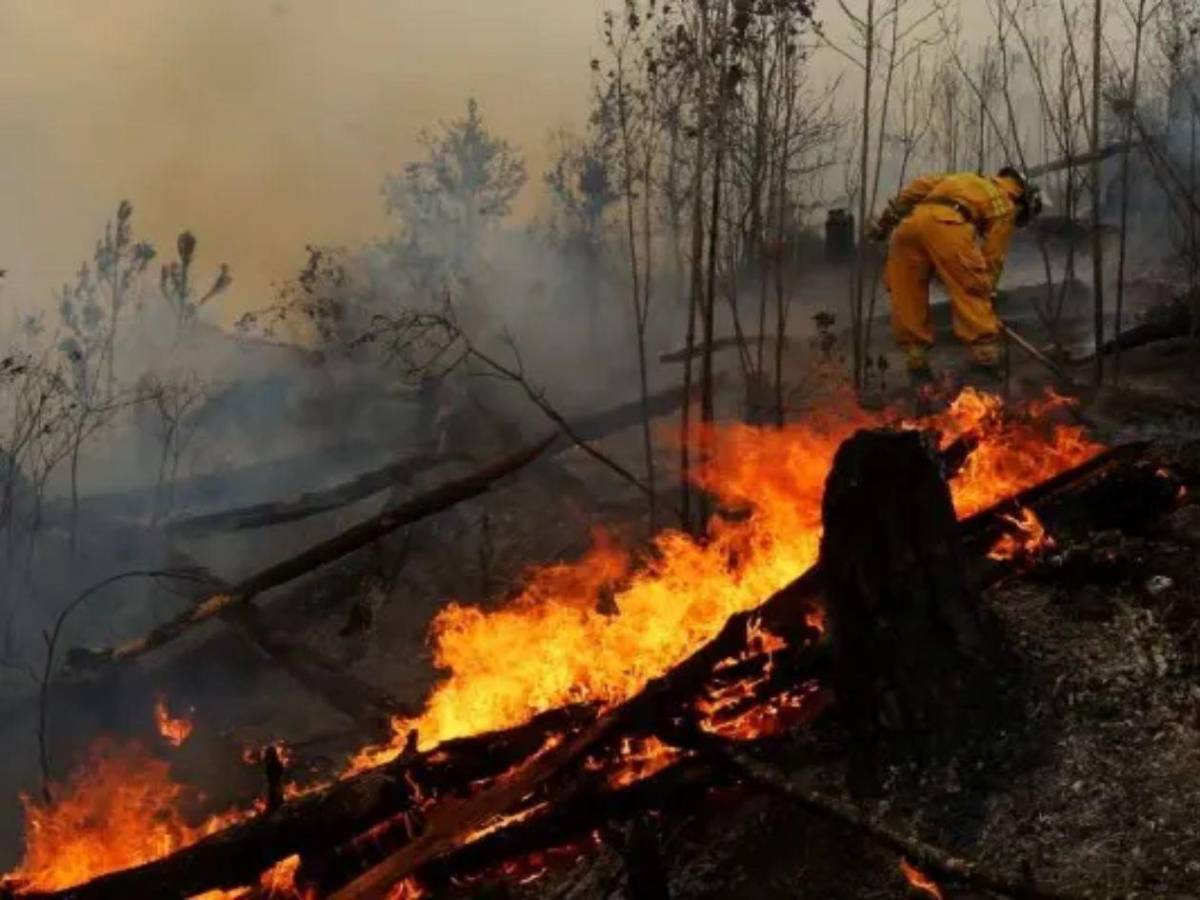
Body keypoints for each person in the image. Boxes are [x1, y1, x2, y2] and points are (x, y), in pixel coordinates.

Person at [868, 166, 1043, 381]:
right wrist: (987, 292)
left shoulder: (965, 179)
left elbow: (917, 187)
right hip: (948, 226)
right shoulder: (1006, 204)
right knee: (974, 288)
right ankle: (986, 363)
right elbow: (992, 257)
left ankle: (917, 366)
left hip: (908, 228)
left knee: (907, 295)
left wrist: (886, 222)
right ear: (1022, 200)